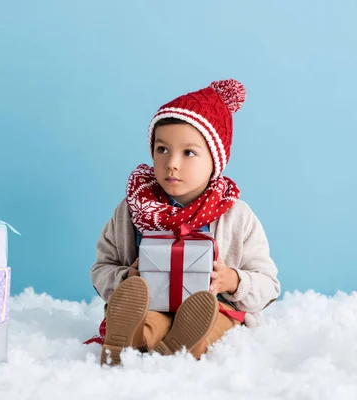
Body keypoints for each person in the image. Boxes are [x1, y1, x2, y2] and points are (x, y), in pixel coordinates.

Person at [89, 79, 281, 365]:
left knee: (210, 328)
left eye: (188, 152)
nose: (171, 163)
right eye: (162, 149)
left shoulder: (236, 215)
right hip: (152, 306)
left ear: (216, 162)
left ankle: (178, 346)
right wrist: (125, 279)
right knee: (148, 322)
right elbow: (102, 267)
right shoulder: (132, 209)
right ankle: (130, 340)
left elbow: (269, 284)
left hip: (214, 308)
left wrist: (234, 280)